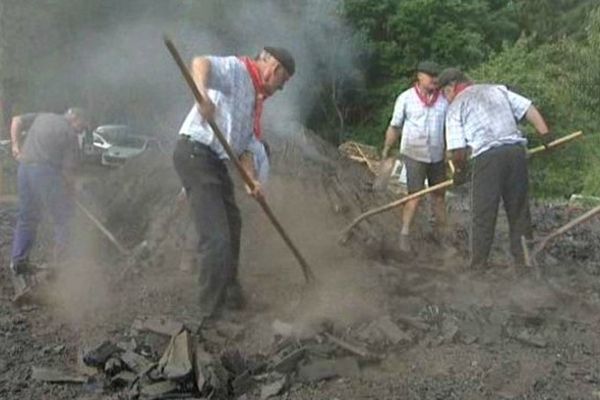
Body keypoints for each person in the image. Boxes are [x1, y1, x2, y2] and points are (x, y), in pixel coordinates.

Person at [172, 46, 294, 319]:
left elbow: (245, 148)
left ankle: (230, 293)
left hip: (213, 161)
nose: (281, 89)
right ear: (273, 69)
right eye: (282, 82)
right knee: (216, 237)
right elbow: (201, 61)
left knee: (233, 224)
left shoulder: (254, 101)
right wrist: (203, 97)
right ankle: (209, 314)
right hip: (195, 153)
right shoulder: (237, 70)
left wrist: (251, 180)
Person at [438, 68, 552, 270]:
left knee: (483, 213)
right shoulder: (497, 90)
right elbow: (529, 109)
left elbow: (457, 151)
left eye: (444, 93)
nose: (445, 98)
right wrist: (545, 135)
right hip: (516, 153)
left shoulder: (456, 106)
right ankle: (524, 262)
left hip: (488, 157)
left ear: (451, 87)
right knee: (518, 211)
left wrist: (459, 172)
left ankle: (478, 266)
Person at [9, 107, 89, 294]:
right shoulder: (69, 135)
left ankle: (18, 262)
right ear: (75, 117)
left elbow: (16, 119)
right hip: (44, 173)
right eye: (81, 126)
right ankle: (61, 266)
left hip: (24, 170)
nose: (81, 131)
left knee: (27, 217)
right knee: (64, 217)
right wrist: (72, 191)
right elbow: (68, 173)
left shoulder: (43, 116)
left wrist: (15, 145)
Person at [381, 61, 449, 253]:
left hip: (436, 157)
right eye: (430, 76)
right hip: (413, 154)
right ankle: (404, 234)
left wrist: (450, 152)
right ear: (419, 76)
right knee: (415, 196)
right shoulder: (406, 98)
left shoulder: (443, 100)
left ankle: (443, 236)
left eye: (437, 76)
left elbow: (449, 129)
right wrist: (387, 149)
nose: (435, 80)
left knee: (439, 198)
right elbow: (395, 126)